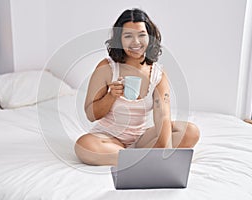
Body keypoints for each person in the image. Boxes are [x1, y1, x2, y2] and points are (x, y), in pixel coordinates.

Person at [74, 8, 200, 166]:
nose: (136, 42)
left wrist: (164, 149)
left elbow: (163, 116)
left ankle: (134, 158)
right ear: (120, 39)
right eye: (128, 36)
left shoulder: (158, 73)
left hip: (142, 139)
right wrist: (111, 96)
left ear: (150, 37)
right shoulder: (107, 68)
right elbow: (91, 114)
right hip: (109, 138)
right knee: (83, 146)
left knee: (190, 132)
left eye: (141, 35)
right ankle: (142, 159)